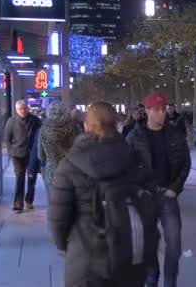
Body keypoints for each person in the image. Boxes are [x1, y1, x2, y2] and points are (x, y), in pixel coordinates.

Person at [48, 102, 150, 287]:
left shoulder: (70, 164)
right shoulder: (132, 157)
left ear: (86, 126)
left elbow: (58, 217)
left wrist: (65, 245)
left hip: (85, 256)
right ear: (115, 123)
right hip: (127, 252)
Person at [127, 93, 191, 287]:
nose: (161, 114)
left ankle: (170, 282)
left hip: (168, 195)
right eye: (156, 110)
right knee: (148, 243)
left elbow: (185, 164)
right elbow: (127, 168)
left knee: (174, 244)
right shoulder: (134, 136)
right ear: (146, 111)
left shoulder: (174, 133)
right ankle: (152, 278)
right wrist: (138, 191)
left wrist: (175, 188)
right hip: (145, 197)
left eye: (163, 109)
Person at [4, 99, 41, 212]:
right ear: (16, 110)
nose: (23, 111)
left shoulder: (35, 120)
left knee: (31, 177)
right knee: (19, 177)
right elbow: (7, 138)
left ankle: (29, 200)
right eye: (21, 109)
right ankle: (18, 203)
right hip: (17, 154)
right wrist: (11, 151)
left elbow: (41, 134)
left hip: (32, 154)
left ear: (28, 108)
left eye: (25, 108)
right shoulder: (11, 121)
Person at [38, 102, 79, 195]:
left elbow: (40, 155)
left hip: (52, 172)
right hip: (71, 172)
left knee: (53, 204)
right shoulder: (74, 128)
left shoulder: (43, 129)